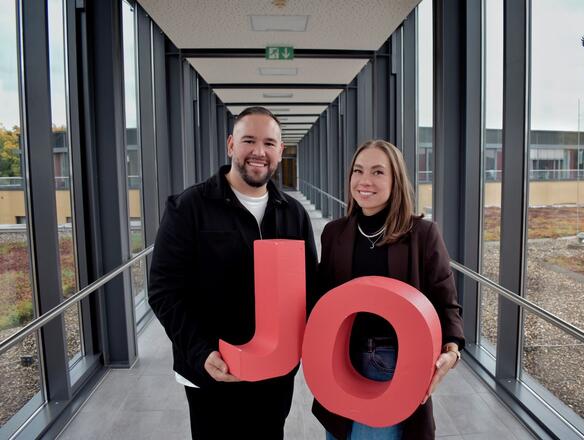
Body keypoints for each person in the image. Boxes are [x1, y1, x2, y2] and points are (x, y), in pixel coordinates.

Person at [148, 106, 318, 439]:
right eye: (249, 141)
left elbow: (308, 288)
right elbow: (164, 291)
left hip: (274, 375)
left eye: (269, 143)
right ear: (230, 145)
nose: (259, 152)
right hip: (213, 370)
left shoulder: (294, 214)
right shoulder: (189, 207)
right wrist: (201, 351)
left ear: (280, 150)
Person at [311, 139, 464, 440]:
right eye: (358, 171)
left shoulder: (422, 234)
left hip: (394, 364)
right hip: (339, 360)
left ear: (396, 181)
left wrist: (452, 350)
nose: (365, 180)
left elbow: (445, 300)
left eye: (378, 172)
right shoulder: (334, 233)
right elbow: (322, 296)